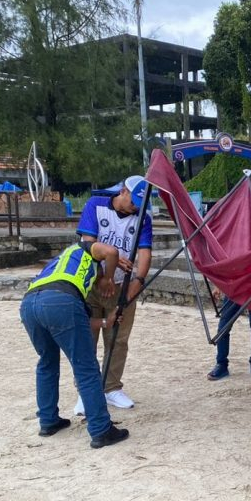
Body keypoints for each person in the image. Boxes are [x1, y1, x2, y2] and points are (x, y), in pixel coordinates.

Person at [20, 240, 131, 449]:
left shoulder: (62, 265)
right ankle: (101, 429)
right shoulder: (85, 248)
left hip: (30, 303)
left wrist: (107, 321)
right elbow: (111, 251)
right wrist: (108, 278)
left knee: (47, 362)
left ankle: (48, 420)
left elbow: (74, 319)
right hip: (60, 301)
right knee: (86, 367)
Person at [73, 175, 153, 413]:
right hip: (92, 282)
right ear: (123, 191)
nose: (136, 206)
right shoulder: (95, 205)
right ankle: (85, 390)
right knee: (88, 337)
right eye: (134, 200)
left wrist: (135, 284)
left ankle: (111, 387)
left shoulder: (143, 219)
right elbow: (89, 245)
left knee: (118, 337)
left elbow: (145, 254)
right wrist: (108, 269)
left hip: (121, 286)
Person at [207, 289, 251, 379]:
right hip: (235, 288)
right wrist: (219, 286)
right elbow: (227, 273)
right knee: (223, 328)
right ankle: (221, 364)